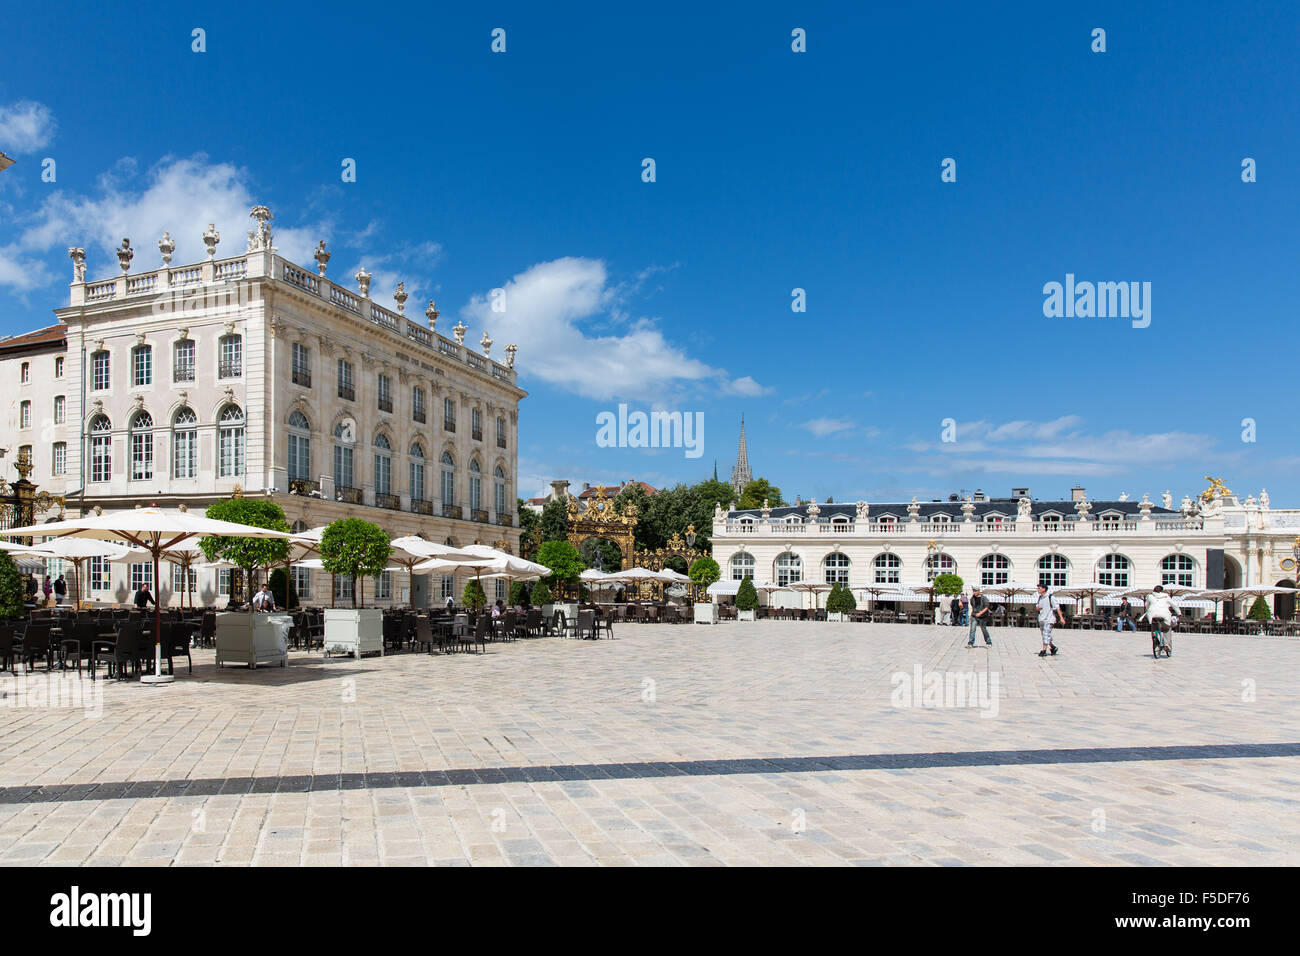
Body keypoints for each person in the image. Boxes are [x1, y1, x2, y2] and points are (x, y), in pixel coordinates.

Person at [1140, 585, 1176, 653]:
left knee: (1154, 628)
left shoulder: (1149, 596)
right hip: (1164, 616)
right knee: (1167, 629)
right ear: (1162, 591)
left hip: (1152, 615)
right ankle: (1167, 644)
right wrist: (1179, 613)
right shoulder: (1166, 596)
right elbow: (1174, 605)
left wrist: (1149, 610)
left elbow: (1147, 605)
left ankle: (1155, 641)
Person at [1035, 583, 1065, 657]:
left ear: (1044, 589)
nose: (1038, 589)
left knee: (1046, 634)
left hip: (1049, 619)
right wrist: (1038, 608)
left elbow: (1057, 608)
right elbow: (1037, 607)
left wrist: (1061, 618)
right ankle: (1053, 647)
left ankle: (1044, 650)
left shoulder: (1050, 597)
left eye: (1039, 588)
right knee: (1045, 634)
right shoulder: (1040, 598)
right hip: (1041, 618)